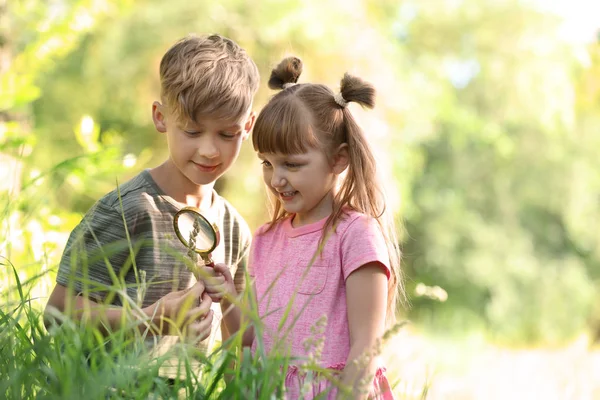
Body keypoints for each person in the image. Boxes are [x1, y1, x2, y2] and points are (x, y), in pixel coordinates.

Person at [44, 34, 260, 376]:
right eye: (192, 131)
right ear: (161, 117)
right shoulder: (128, 209)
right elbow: (57, 313)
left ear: (247, 126)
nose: (209, 150)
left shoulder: (233, 229)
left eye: (227, 134)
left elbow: (239, 342)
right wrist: (152, 319)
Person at [204, 57, 405, 399]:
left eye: (292, 164)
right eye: (267, 163)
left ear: (338, 159)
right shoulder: (267, 239)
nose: (276, 178)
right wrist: (227, 300)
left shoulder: (356, 235)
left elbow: (365, 348)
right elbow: (251, 340)